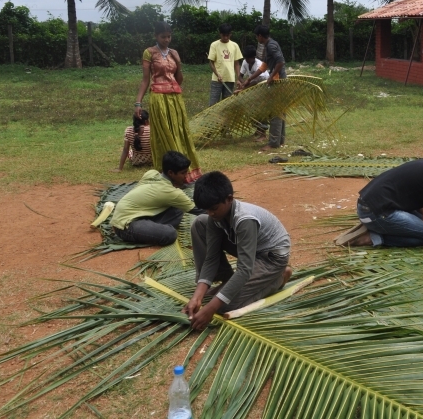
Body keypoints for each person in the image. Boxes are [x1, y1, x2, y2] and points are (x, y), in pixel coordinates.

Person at [184, 171, 292, 330]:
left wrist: (210, 309)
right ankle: (227, 280)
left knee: (225, 305)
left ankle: (278, 278)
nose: (210, 213)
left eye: (214, 208)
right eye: (207, 210)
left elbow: (244, 269)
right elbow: (211, 258)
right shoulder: (217, 216)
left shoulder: (244, 220)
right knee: (200, 223)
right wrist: (197, 297)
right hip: (251, 248)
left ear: (229, 199)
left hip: (271, 258)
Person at [134, 21, 202, 183]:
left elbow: (179, 80)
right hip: (158, 97)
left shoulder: (174, 53)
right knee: (165, 132)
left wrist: (178, 63)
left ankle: (183, 170)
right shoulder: (149, 53)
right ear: (156, 36)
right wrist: (138, 103)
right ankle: (168, 172)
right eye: (163, 37)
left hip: (175, 97)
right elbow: (145, 80)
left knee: (179, 131)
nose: (166, 40)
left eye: (169, 36)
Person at [110, 151, 205, 247]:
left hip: (130, 214)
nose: (186, 176)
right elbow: (200, 210)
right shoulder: (170, 192)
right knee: (170, 234)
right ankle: (152, 232)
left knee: (178, 208)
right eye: (183, 173)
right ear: (171, 173)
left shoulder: (151, 173)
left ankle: (152, 230)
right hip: (125, 225)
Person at [244, 25, 287, 151]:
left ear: (260, 36)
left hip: (278, 82)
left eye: (256, 37)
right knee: (281, 110)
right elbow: (264, 65)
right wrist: (250, 78)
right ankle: (280, 140)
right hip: (279, 80)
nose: (257, 39)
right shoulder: (269, 45)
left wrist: (271, 76)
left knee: (275, 111)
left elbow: (281, 62)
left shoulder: (271, 45)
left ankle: (273, 143)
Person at [237, 44, 270, 141]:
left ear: (254, 57)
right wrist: (243, 83)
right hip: (254, 88)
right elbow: (240, 76)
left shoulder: (259, 65)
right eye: (246, 58)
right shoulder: (245, 62)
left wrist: (243, 88)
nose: (247, 60)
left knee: (261, 111)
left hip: (264, 88)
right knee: (252, 109)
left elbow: (255, 82)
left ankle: (263, 134)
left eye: (249, 59)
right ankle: (258, 130)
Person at [207, 23, 243, 106]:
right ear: (220, 34)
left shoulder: (235, 45)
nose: (226, 37)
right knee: (213, 104)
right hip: (217, 80)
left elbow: (236, 63)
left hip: (230, 79)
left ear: (230, 34)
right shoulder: (214, 45)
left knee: (226, 105)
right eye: (223, 35)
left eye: (228, 35)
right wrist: (217, 75)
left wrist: (239, 78)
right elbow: (211, 62)